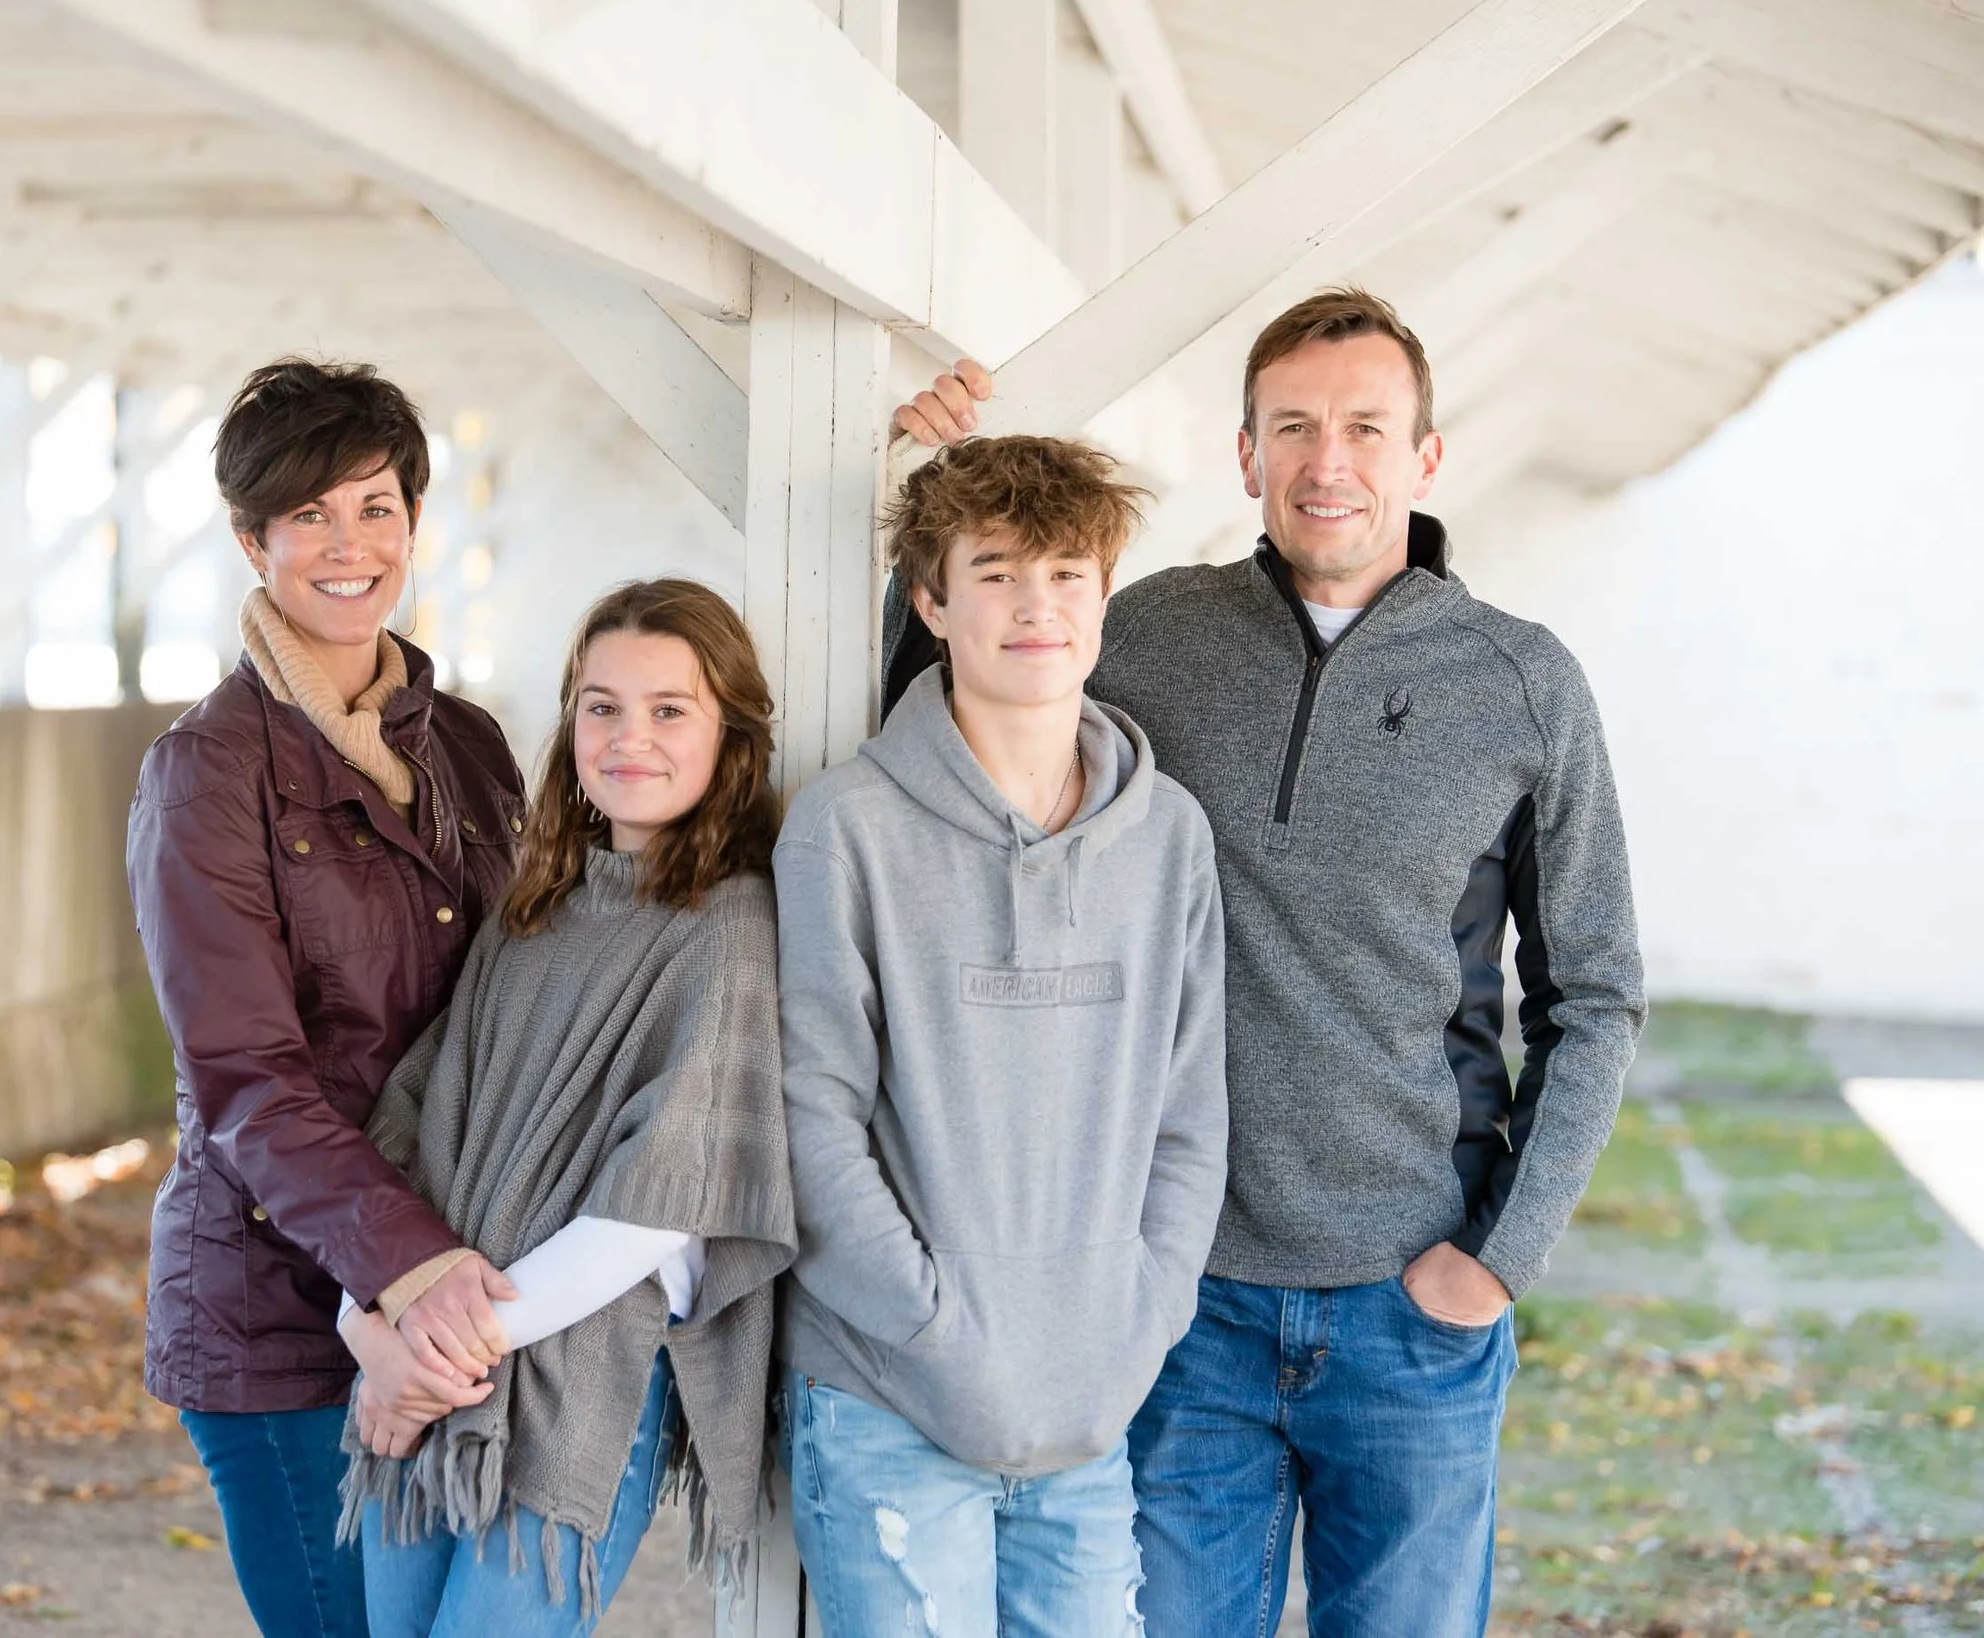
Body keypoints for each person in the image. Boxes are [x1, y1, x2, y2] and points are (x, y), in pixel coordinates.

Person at [891, 286, 1646, 1637]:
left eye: (1367, 426)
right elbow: (954, 715)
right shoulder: (1154, 636)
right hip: (1183, 1305)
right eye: (1292, 426)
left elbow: (1595, 995)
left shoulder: (1523, 684)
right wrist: (915, 485)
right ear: (1245, 454)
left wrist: (1499, 1257)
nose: (1328, 460)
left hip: (1412, 1307)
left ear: (1426, 454)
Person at [775, 435, 1230, 1637]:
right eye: (996, 573)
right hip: (886, 1402)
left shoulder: (1168, 834)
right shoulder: (844, 829)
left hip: (1089, 1403)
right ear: (929, 602)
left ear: (1102, 594)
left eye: (1068, 573)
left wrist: (1140, 1318)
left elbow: (1190, 1119)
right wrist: (937, 1333)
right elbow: (809, 1120)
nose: (1037, 605)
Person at [127, 357, 531, 1637]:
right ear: (253, 542)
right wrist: (417, 1272)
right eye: (308, 514)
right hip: (284, 1313)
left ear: (414, 519)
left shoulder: (465, 742)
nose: (347, 544)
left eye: (374, 505)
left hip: (448, 1287)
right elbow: (245, 1079)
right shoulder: (207, 772)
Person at [332, 578, 797, 1638]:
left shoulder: (728, 933)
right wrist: (365, 1327)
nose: (629, 736)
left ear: (730, 737)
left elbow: (656, 1212)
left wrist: (431, 1359)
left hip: (577, 1377)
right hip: (422, 1365)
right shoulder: (531, 913)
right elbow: (407, 1132)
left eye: (668, 709)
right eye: (601, 706)